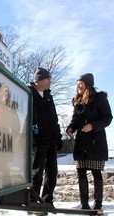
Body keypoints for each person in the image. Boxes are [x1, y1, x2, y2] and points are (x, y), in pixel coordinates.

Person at [66, 73, 112, 209]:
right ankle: (84, 203)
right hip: (81, 143)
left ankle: (98, 203)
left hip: (95, 142)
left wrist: (92, 126)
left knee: (95, 171)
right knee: (81, 172)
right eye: (77, 84)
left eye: (81, 83)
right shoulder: (76, 101)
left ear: (88, 84)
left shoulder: (100, 98)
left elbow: (108, 117)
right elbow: (75, 119)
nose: (78, 86)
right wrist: (71, 127)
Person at [27, 67, 63, 207]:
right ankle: (32, 200)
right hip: (38, 140)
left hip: (51, 140)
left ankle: (47, 200)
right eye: (48, 78)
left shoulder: (49, 96)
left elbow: (54, 118)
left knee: (52, 173)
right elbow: (27, 117)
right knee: (37, 171)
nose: (50, 81)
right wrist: (34, 131)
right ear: (39, 80)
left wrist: (58, 137)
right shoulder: (29, 93)